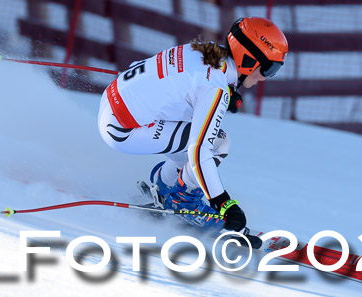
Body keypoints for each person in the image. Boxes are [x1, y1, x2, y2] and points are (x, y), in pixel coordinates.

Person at [97, 16, 288, 232]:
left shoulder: (207, 51)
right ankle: (180, 200)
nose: (266, 78)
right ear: (249, 60)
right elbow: (199, 152)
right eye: (269, 69)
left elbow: (184, 81)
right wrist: (224, 203)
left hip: (112, 99)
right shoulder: (214, 89)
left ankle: (167, 185)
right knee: (217, 143)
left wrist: (231, 89)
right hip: (122, 130)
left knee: (196, 131)